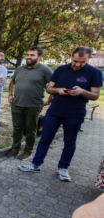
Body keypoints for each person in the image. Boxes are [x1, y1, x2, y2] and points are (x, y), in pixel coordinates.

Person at [18, 46, 102, 181]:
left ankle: (63, 168)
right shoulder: (61, 69)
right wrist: (59, 90)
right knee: (45, 139)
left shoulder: (94, 72)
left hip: (75, 114)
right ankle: (35, 164)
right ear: (71, 56)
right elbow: (49, 88)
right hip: (54, 112)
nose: (78, 64)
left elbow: (95, 95)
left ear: (88, 59)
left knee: (70, 142)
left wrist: (82, 91)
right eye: (75, 61)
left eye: (82, 62)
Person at [6, 47, 53, 160]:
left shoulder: (45, 70)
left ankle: (28, 151)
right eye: (28, 54)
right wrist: (10, 94)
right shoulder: (19, 69)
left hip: (33, 105)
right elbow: (12, 82)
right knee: (17, 128)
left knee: (31, 130)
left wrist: (48, 101)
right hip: (17, 104)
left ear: (39, 57)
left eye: (32, 55)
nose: (28, 57)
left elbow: (53, 87)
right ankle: (15, 148)